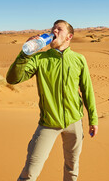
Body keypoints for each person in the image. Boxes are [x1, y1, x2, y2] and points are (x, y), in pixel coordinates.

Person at [6, 20, 98, 181]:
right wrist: (24, 54)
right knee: (30, 171)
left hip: (74, 122)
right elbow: (13, 79)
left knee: (72, 168)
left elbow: (87, 90)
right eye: (52, 28)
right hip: (48, 123)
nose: (53, 31)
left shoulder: (79, 59)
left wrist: (93, 119)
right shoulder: (39, 58)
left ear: (69, 36)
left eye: (58, 29)